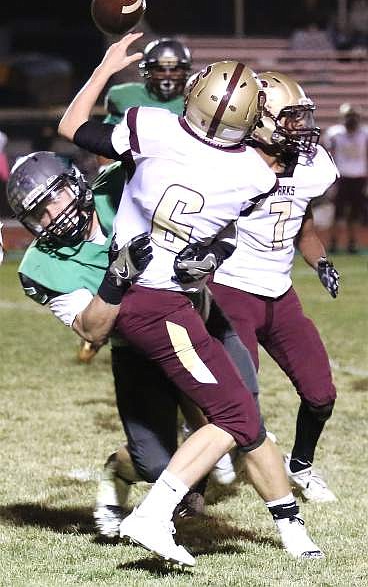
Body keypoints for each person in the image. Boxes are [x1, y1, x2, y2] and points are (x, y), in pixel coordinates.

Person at [58, 31, 324, 565]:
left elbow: (70, 127)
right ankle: (154, 515)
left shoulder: (148, 126)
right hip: (157, 304)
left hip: (139, 295)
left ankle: (279, 525)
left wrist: (107, 66)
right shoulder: (252, 175)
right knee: (232, 413)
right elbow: (240, 200)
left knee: (241, 417)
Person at [6, 151, 261, 539]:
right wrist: (116, 279)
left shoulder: (120, 184)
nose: (52, 215)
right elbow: (91, 331)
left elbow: (202, 200)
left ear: (76, 181)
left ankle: (278, 513)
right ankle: (119, 469)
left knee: (244, 408)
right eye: (39, 212)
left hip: (196, 317)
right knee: (154, 464)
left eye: (55, 196)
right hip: (137, 348)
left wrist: (209, 254)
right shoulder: (40, 266)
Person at [175, 71, 340, 504]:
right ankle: (194, 485)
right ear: (262, 119)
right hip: (231, 292)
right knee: (234, 403)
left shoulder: (309, 166)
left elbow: (301, 224)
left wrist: (320, 261)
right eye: (290, 119)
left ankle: (300, 466)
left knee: (321, 395)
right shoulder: (235, 162)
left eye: (302, 118)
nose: (300, 128)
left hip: (280, 294)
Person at [78, 37, 193, 363]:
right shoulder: (124, 96)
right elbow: (105, 145)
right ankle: (95, 329)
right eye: (160, 68)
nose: (168, 75)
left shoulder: (194, 101)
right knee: (117, 256)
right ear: (146, 72)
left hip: (178, 193)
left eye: (175, 68)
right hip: (129, 186)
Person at [323, 103, 368, 253]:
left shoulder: (364, 134)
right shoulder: (335, 133)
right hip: (341, 177)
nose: (352, 120)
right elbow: (329, 155)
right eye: (349, 116)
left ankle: (352, 242)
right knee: (338, 213)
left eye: (354, 116)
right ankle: (334, 242)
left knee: (355, 213)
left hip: (359, 177)